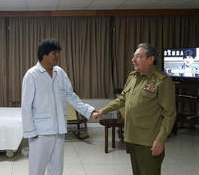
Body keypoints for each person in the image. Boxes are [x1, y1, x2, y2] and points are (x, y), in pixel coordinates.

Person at [21, 38, 101, 175]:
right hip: (40, 133)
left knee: (57, 169)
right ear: (43, 54)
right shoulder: (32, 75)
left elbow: (71, 96)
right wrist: (31, 132)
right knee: (36, 170)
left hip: (59, 130)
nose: (57, 56)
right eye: (54, 53)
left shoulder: (60, 73)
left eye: (58, 53)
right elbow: (26, 106)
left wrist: (89, 111)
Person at [100, 43, 176, 175]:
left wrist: (160, 139)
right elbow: (122, 99)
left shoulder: (162, 81)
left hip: (149, 142)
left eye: (138, 57)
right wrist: (102, 111)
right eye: (133, 56)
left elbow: (170, 114)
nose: (133, 60)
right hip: (132, 138)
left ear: (150, 60)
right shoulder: (133, 77)